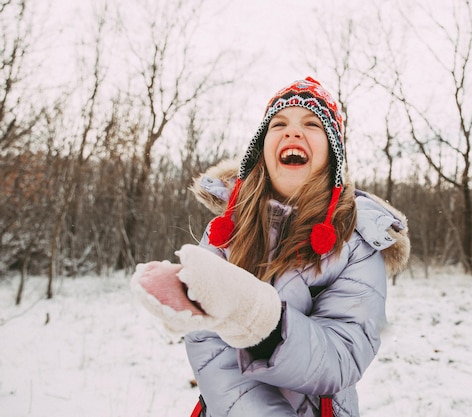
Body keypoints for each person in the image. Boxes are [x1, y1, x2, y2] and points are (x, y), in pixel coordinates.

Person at [131, 77, 410, 417]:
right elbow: (209, 351)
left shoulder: (357, 242)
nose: (293, 132)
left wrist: (256, 316)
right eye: (279, 124)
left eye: (312, 124)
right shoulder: (225, 232)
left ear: (333, 152)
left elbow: (342, 356)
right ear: (262, 147)